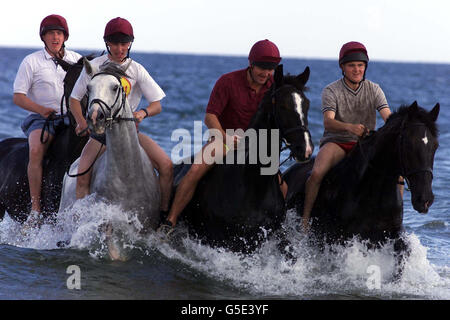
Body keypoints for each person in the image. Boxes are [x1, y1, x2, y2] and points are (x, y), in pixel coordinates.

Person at [159, 39, 285, 235]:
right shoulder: (227, 81)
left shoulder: (273, 87)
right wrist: (225, 138)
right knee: (195, 170)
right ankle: (171, 220)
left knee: (281, 184)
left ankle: (280, 229)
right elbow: (210, 117)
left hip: (256, 143)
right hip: (224, 139)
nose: (266, 73)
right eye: (262, 67)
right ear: (251, 64)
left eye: (271, 68)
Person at [70, 17, 173, 214]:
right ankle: (79, 222)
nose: (119, 48)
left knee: (167, 166)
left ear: (130, 44)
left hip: (130, 134)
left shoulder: (136, 69)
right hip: (100, 134)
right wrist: (81, 121)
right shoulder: (94, 66)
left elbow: (157, 105)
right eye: (115, 43)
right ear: (107, 43)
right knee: (82, 174)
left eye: (124, 43)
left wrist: (143, 112)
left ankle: (162, 218)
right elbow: (74, 99)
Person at [301, 41, 393, 231]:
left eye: (360, 65)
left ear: (365, 67)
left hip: (366, 146)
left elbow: (388, 117)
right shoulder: (331, 90)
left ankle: (394, 220)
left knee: (395, 172)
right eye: (351, 65)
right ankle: (305, 219)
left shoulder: (374, 89)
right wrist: (350, 128)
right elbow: (328, 121)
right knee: (317, 173)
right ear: (342, 67)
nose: (356, 69)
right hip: (337, 142)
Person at [13, 14, 82, 227]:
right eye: (51, 33)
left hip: (72, 117)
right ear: (43, 37)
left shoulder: (77, 60)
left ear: (65, 36)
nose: (55, 37)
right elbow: (18, 97)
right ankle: (35, 210)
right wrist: (41, 110)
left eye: (59, 33)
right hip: (42, 119)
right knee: (36, 150)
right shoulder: (31, 61)